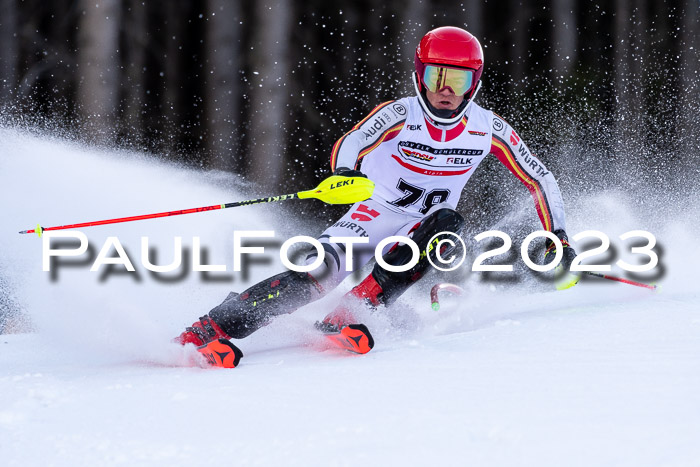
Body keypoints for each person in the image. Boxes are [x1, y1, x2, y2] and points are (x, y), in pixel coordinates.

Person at [176, 26, 579, 361]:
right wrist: (346, 173)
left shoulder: (487, 128)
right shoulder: (401, 114)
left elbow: (539, 178)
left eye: (457, 80)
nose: (445, 90)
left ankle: (347, 314)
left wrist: (557, 236)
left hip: (420, 232)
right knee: (310, 278)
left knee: (446, 223)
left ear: (473, 84)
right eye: (435, 77)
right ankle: (207, 329)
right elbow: (353, 141)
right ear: (419, 75)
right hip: (370, 217)